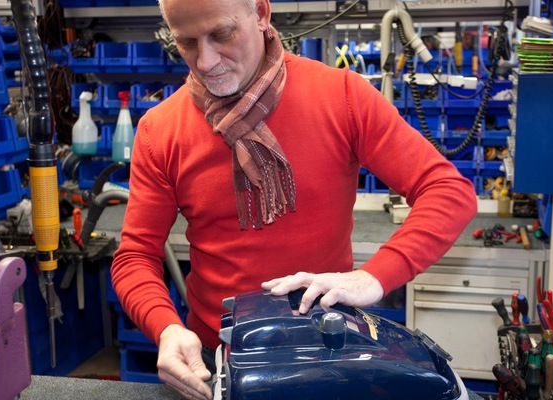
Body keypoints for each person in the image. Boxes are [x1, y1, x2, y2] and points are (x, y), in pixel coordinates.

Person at [110, 0, 478, 398]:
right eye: (186, 42)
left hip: (329, 361)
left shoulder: (342, 96)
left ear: (261, 14)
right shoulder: (160, 131)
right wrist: (166, 328)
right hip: (218, 365)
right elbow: (135, 258)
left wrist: (375, 276)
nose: (206, 60)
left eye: (222, 34)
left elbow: (448, 191)